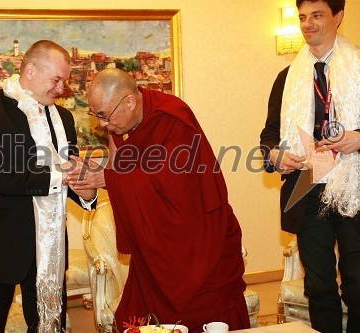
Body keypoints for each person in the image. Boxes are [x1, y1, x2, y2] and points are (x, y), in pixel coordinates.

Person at [65, 68, 250, 332]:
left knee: (206, 317)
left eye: (104, 116)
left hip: (199, 239)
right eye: (96, 116)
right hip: (158, 243)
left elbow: (172, 183)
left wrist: (106, 179)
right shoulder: (127, 123)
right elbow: (124, 171)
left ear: (129, 101)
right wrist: (110, 145)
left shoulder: (173, 118)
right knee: (142, 317)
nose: (102, 124)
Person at [0, 40, 96, 333]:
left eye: (64, 81)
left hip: (49, 252)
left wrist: (88, 191)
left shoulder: (65, 118)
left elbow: (70, 173)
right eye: (57, 80)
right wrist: (62, 175)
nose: (61, 89)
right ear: (31, 70)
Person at [260, 1, 360, 332]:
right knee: (319, 286)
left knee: (358, 286)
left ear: (338, 17)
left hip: (357, 186)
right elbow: (269, 135)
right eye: (302, 17)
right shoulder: (287, 77)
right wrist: (274, 155)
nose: (307, 24)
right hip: (307, 186)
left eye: (317, 15)